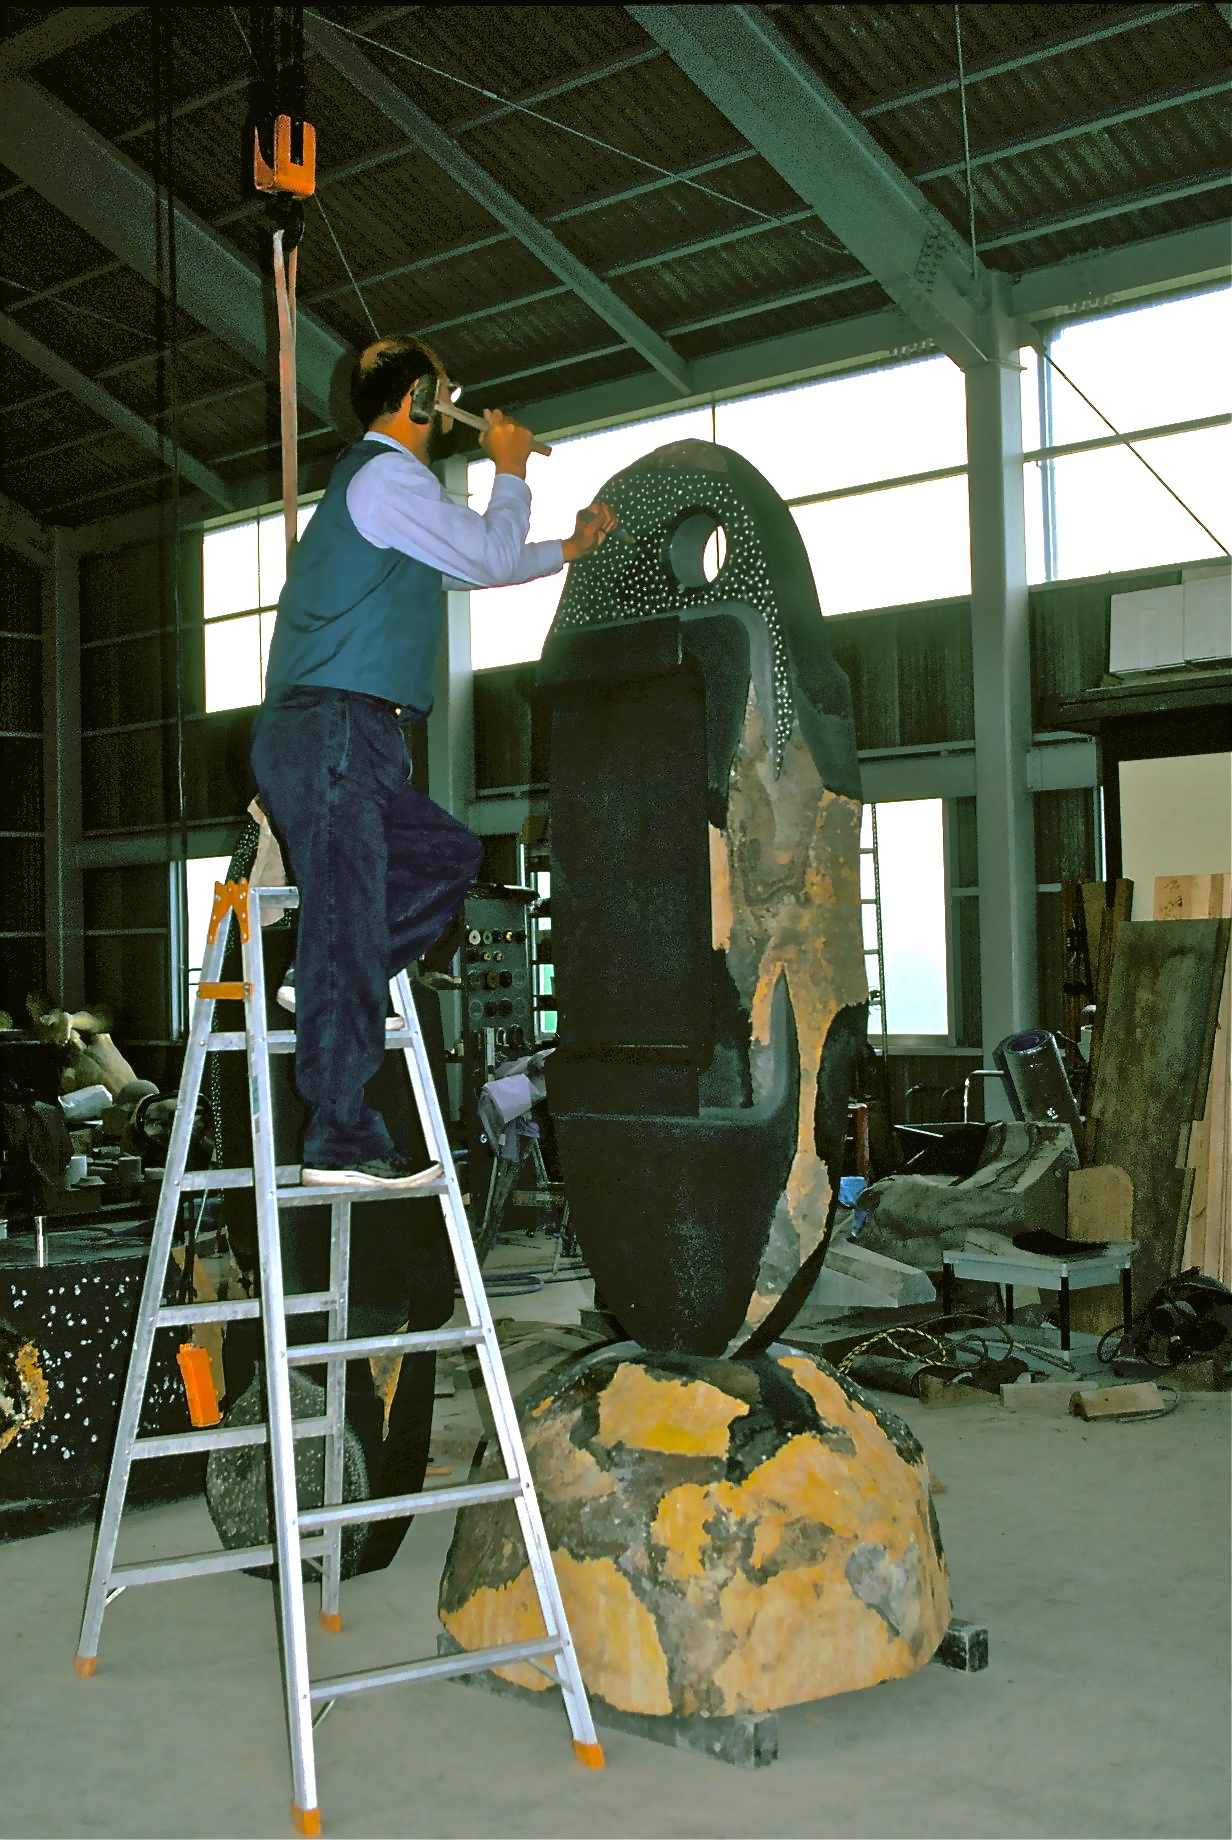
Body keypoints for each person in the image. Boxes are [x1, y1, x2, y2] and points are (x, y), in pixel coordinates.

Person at [250, 335, 616, 1190]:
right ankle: (340, 1140)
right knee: (348, 910)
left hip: (359, 734)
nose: (454, 404)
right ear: (419, 399)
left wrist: (565, 549)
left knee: (446, 859)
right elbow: (486, 548)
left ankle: (326, 969)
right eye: (445, 390)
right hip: (333, 722)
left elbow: (476, 563)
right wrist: (512, 468)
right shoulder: (384, 478)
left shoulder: (393, 505)